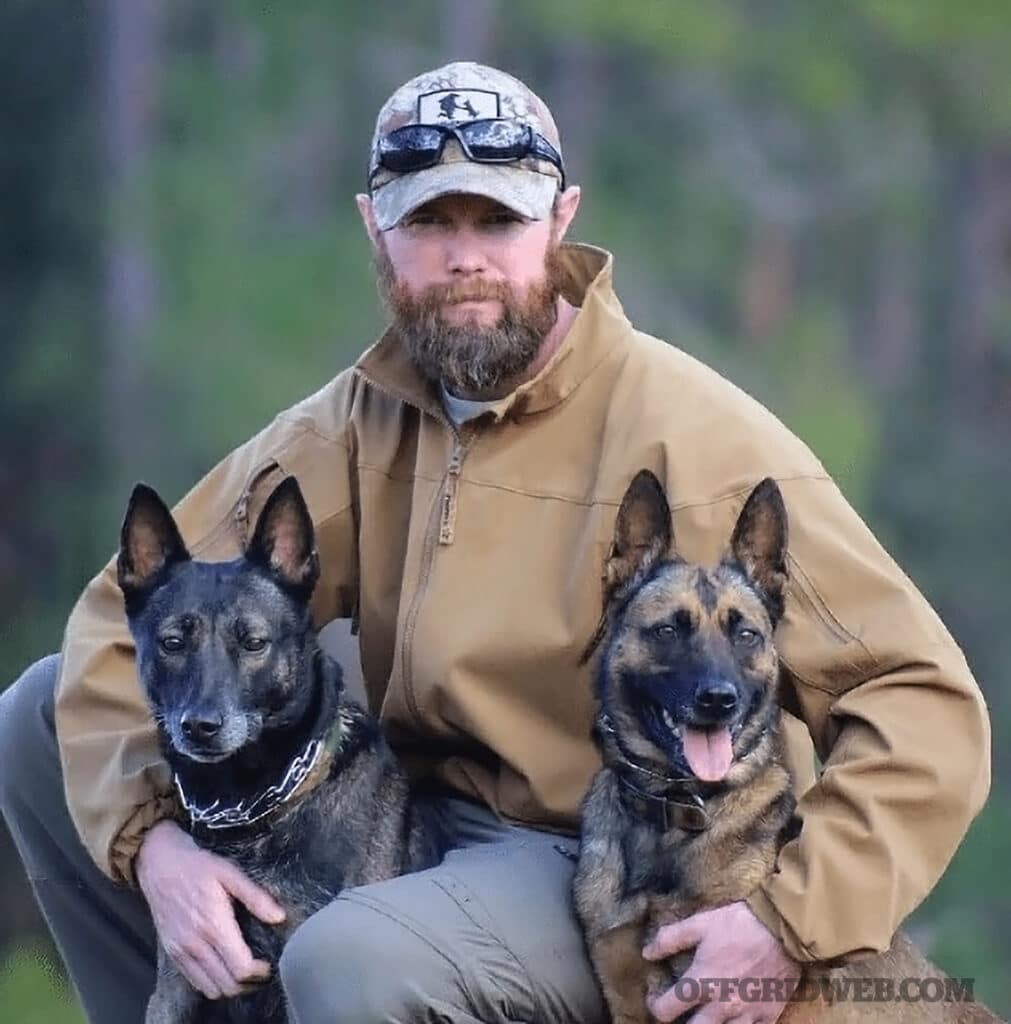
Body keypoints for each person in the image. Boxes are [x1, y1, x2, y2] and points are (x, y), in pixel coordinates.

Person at [0, 60, 991, 1024]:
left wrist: (789, 918)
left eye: (498, 219)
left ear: (560, 221)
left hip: (585, 850)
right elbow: (120, 620)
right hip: (400, 813)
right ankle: (202, 993)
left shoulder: (695, 433)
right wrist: (159, 852)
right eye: (430, 220)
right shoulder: (352, 423)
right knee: (40, 717)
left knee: (350, 962)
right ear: (374, 228)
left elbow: (924, 704)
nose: (465, 256)